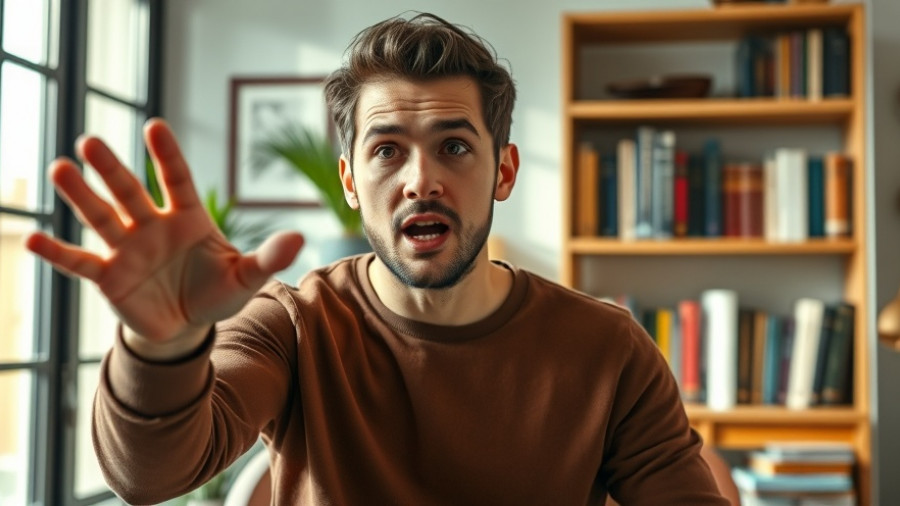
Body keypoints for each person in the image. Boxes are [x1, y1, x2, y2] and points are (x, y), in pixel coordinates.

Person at [26, 12, 728, 505]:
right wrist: (163, 343)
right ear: (351, 182)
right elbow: (147, 477)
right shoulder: (293, 325)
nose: (420, 179)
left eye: (454, 146)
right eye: (387, 150)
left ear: (504, 171)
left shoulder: (608, 349)